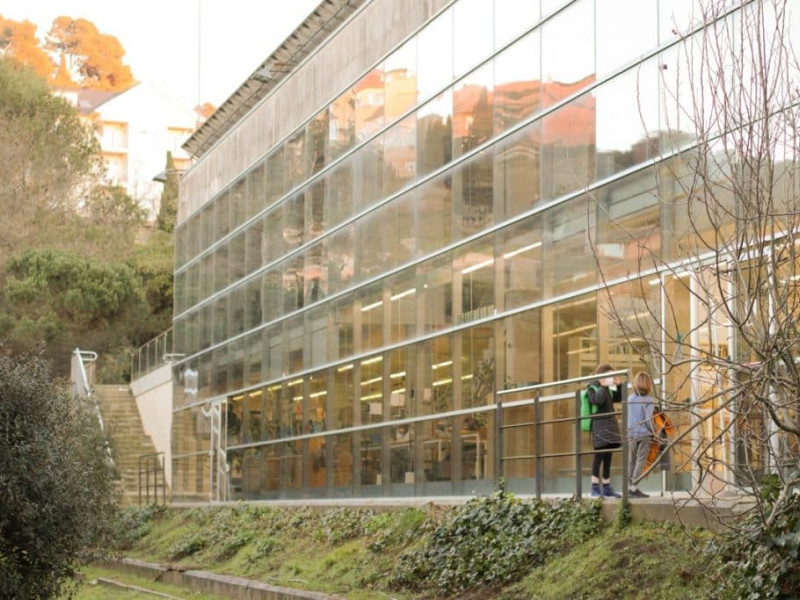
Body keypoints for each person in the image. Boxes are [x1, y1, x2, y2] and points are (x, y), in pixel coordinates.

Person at [588, 364, 623, 498]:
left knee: (608, 456)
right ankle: (595, 487)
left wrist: (618, 385)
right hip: (599, 427)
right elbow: (597, 401)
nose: (611, 378)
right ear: (602, 375)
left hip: (610, 426)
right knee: (599, 457)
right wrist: (602, 386)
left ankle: (607, 487)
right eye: (610, 375)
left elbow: (619, 399)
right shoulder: (592, 386)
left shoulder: (607, 388)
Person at [628, 371, 657, 497]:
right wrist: (654, 432)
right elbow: (648, 419)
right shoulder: (649, 401)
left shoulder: (630, 399)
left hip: (631, 433)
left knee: (632, 461)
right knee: (641, 460)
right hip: (644, 434)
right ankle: (634, 487)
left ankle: (629, 486)